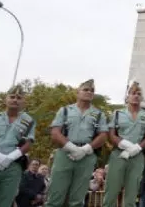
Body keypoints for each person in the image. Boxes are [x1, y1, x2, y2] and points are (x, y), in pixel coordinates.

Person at [45, 79, 109, 207]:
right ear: (78, 92)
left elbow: (103, 135)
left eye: (92, 90)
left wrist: (85, 149)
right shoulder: (65, 111)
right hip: (65, 153)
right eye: (86, 89)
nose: (89, 92)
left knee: (78, 198)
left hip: (86, 155)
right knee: (55, 195)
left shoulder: (98, 114)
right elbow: (55, 132)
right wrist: (71, 148)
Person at [103, 82, 145, 207]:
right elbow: (111, 134)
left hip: (137, 156)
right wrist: (125, 145)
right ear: (128, 97)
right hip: (119, 155)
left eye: (139, 94)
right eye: (133, 93)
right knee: (111, 191)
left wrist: (136, 148)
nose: (136, 96)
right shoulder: (117, 113)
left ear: (142, 97)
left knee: (132, 194)